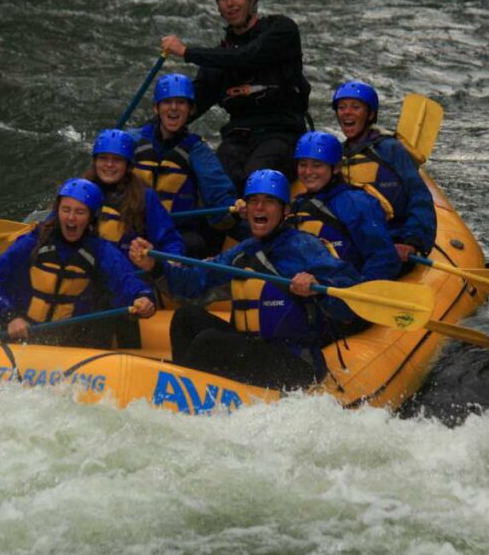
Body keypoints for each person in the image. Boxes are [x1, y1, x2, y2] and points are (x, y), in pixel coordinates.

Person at [129, 169, 362, 391]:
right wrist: (155, 267)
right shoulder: (241, 252)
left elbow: (349, 288)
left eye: (269, 201)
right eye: (253, 201)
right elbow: (194, 283)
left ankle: (184, 393)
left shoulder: (304, 247)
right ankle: (192, 393)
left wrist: (317, 286)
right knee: (186, 317)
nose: (259, 207)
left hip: (295, 361)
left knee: (209, 342)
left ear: (285, 210)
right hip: (251, 349)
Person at [160, 0, 311, 191]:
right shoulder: (219, 59)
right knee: (216, 185)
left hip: (282, 133)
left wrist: (186, 52)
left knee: (256, 179)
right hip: (237, 138)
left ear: (253, 0)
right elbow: (188, 108)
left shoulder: (281, 31)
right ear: (218, 6)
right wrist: (140, 137)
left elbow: (246, 57)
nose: (230, 3)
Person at [0, 178, 156, 349]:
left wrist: (143, 297)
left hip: (72, 344)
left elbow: (127, 281)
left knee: (104, 306)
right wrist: (10, 317)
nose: (71, 218)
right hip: (24, 337)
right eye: (66, 210)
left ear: (91, 217)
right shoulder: (32, 243)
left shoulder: (101, 251)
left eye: (79, 212)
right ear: (57, 211)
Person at [128, 73, 239, 258]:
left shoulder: (197, 151)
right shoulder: (132, 140)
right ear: (156, 108)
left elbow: (219, 195)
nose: (173, 108)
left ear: (190, 109)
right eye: (167, 102)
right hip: (134, 229)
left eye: (181, 102)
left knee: (195, 244)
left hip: (175, 232)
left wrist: (234, 209)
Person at [333, 80, 437, 263]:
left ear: (371, 114)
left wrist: (411, 241)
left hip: (394, 237)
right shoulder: (337, 156)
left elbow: (419, 196)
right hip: (356, 241)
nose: (347, 112)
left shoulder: (390, 149)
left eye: (355, 107)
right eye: (342, 107)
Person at [290, 131, 402, 281]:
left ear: (336, 168)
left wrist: (361, 291)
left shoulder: (356, 203)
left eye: (317, 165)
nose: (308, 172)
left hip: (349, 288)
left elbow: (382, 258)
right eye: (303, 165)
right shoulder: (297, 205)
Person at [85, 128, 186, 262]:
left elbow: (169, 240)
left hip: (128, 271)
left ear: (128, 166)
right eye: (103, 158)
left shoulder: (145, 197)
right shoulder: (81, 190)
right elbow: (53, 227)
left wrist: (173, 261)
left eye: (117, 160)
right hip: (88, 269)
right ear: (95, 162)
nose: (109, 165)